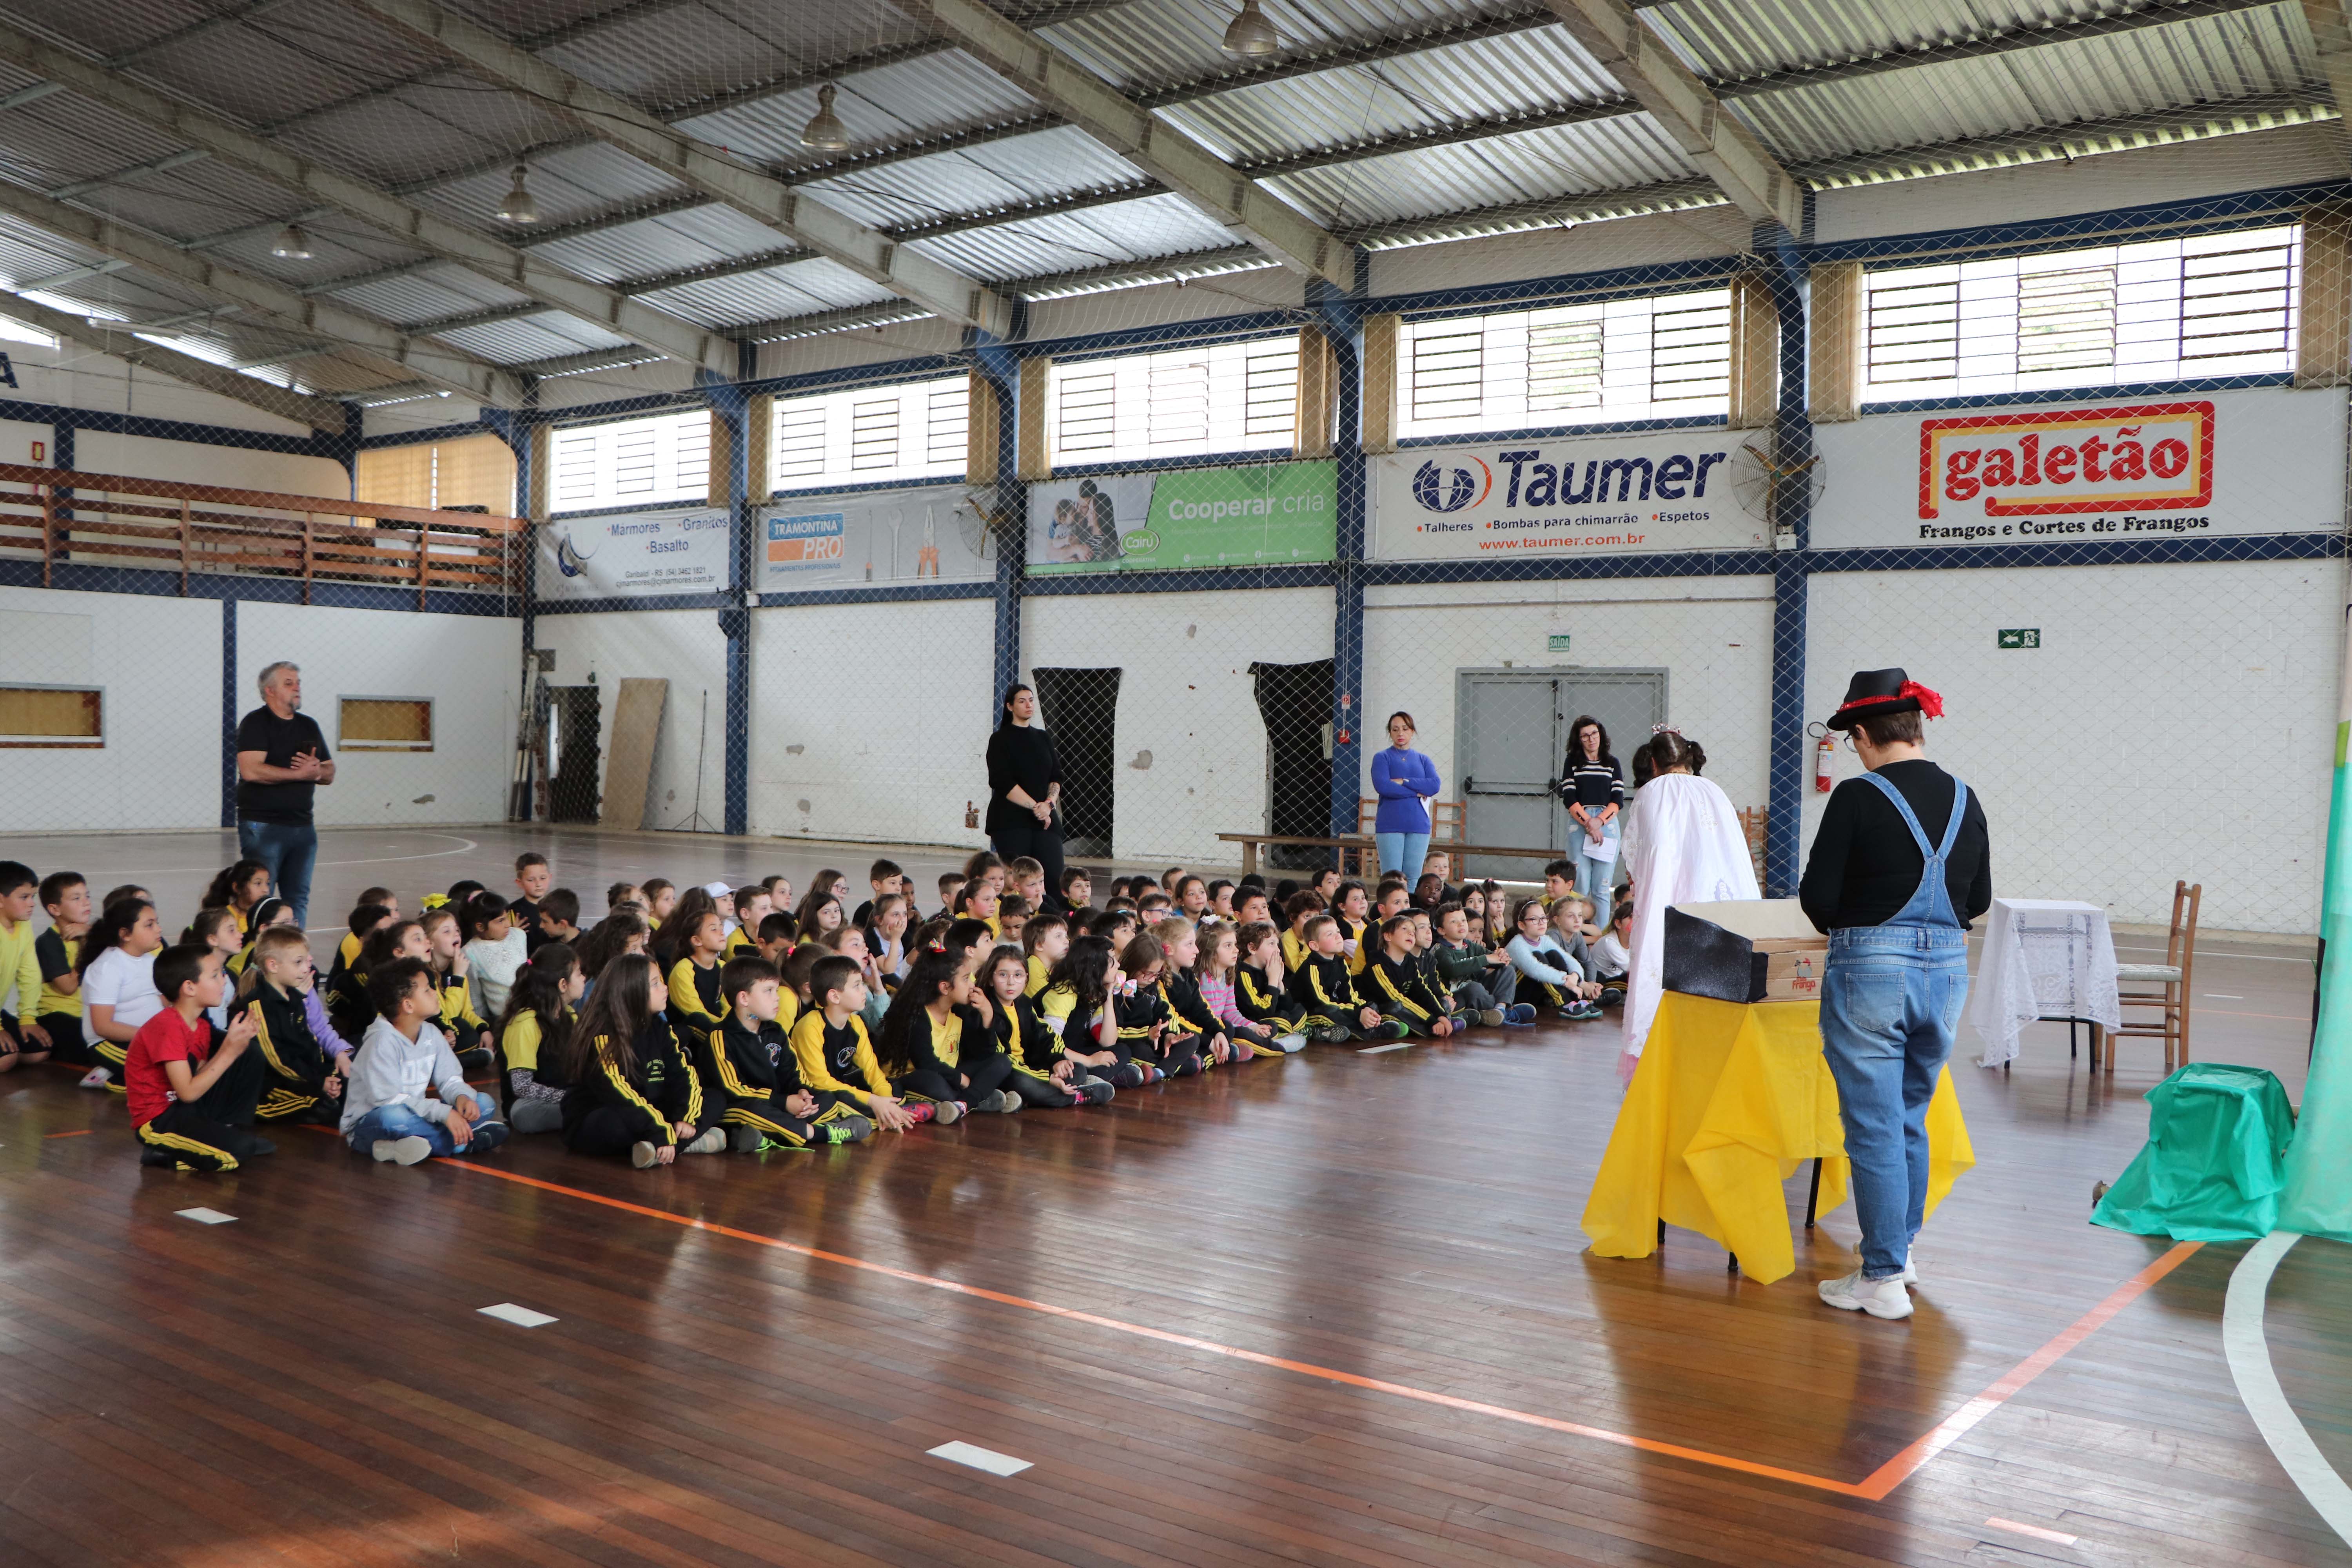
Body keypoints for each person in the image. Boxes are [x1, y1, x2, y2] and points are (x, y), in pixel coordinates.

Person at [1800, 670, 1989, 1321]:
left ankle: (1880, 1277)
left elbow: (1819, 901)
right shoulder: (1967, 796)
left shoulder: (1856, 797)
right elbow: (1980, 900)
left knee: (1874, 1125)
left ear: (1861, 734)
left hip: (1872, 969)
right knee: (1909, 1114)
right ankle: (1899, 1254)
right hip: (1947, 970)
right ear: (1915, 727)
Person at [1618, 727, 1758, 1083]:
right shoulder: (1714, 790)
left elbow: (1636, 852)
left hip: (1671, 892)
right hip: (1717, 893)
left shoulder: (1652, 792)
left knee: (1664, 964)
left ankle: (1663, 1055)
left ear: (1653, 763)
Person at [341, 958, 509, 1166]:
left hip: (417, 1114)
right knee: (393, 1117)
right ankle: (462, 1142)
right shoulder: (381, 1042)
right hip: (370, 1124)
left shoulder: (431, 1033)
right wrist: (444, 1113)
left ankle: (406, 1146)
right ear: (408, 1005)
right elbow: (389, 1101)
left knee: (483, 1103)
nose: (435, 994)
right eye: (428, 990)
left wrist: (461, 1097)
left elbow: (449, 1078)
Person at [127, 943, 268, 1172]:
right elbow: (188, 1092)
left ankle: (228, 1130)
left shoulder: (200, 1025)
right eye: (215, 976)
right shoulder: (167, 1027)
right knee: (237, 1153)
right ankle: (161, 1154)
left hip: (185, 1110)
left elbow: (200, 1077)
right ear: (190, 988)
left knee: (250, 1053)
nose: (224, 981)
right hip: (158, 1122)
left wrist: (238, 1046)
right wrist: (229, 1050)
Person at [233, 661, 334, 926]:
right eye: (289, 684)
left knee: (298, 898)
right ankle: (253, 950)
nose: (297, 688)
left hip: (303, 827)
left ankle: (293, 952)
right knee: (257, 899)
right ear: (270, 691)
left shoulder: (308, 726)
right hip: (264, 826)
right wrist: (300, 775)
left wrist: (316, 772)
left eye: (298, 683)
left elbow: (330, 771)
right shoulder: (256, 723)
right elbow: (251, 771)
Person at [984, 684, 1066, 899]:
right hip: (1011, 821)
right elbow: (1002, 782)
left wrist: (1048, 805)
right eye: (1022, 701)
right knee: (1019, 884)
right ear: (1010, 706)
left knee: (1054, 880)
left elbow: (1056, 776)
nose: (1029, 705)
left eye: (1031, 700)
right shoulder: (1000, 740)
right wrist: (1036, 807)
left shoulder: (1042, 737)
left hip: (1045, 819)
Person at [1557, 716, 1625, 927]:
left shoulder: (1612, 763)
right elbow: (1569, 798)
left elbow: (1618, 801)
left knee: (1602, 888)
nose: (1591, 739)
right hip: (1580, 823)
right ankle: (1577, 934)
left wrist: (1599, 823)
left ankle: (1600, 936)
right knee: (1581, 884)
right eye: (1585, 736)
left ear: (1601, 735)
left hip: (1607, 823)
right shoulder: (1573, 763)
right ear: (1579, 740)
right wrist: (1589, 823)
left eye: (1594, 734)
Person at [1370, 711, 1441, 878]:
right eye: (1395, 730)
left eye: (1405, 729)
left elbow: (1434, 785)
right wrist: (1417, 792)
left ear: (1412, 731)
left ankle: (1410, 906)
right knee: (1392, 878)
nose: (1400, 733)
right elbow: (1383, 786)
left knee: (1413, 879)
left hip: (1418, 826)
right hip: (1390, 825)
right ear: (1390, 733)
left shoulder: (1423, 759)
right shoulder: (1382, 757)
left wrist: (1404, 781)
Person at [0, 861, 53, 1073]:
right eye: (24, 897)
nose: (32, 904)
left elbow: (30, 973)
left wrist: (28, 1018)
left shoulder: (23, 925)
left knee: (38, 1050)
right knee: (6, 1061)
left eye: (33, 896)